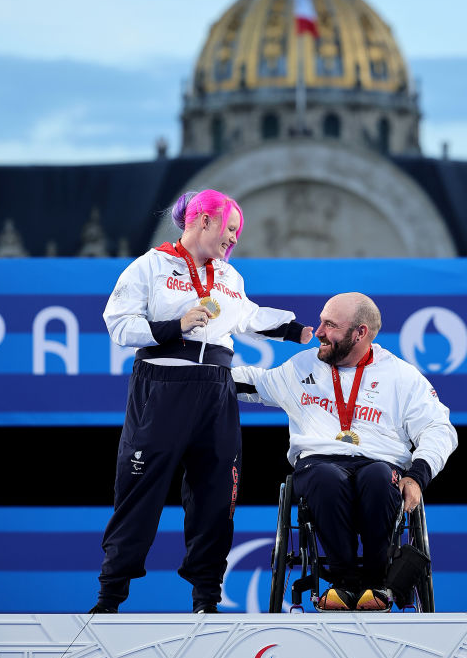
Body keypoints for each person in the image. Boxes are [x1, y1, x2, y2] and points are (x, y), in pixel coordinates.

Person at [89, 189, 313, 614]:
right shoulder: (150, 266)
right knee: (140, 492)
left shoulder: (229, 277)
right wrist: (175, 325)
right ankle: (110, 596)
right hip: (163, 386)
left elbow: (247, 315)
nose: (233, 239)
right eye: (229, 229)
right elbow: (118, 324)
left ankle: (206, 600)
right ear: (203, 220)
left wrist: (299, 330)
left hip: (216, 389)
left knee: (215, 496)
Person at [233, 292, 457, 612]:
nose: (319, 331)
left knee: (380, 477)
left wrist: (418, 476)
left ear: (360, 333)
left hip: (380, 462)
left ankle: (378, 583)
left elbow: (439, 428)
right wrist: (203, 374)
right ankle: (344, 584)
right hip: (318, 463)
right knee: (326, 477)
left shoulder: (402, 376)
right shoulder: (302, 366)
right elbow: (256, 384)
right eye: (321, 320)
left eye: (330, 325)